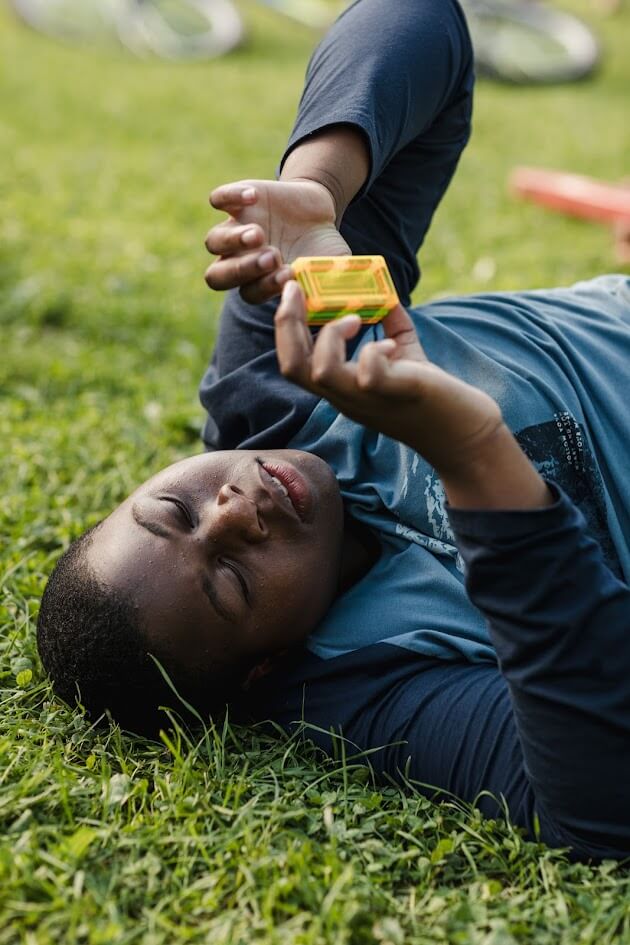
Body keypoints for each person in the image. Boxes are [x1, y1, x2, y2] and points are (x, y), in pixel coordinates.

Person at [36, 0, 630, 861]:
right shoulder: (375, 680)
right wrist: (469, 455)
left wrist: (322, 190)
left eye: (176, 507)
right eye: (232, 579)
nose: (234, 511)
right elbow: (601, 801)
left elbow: (422, 18)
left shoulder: (284, 386)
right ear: (266, 670)